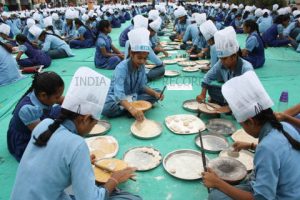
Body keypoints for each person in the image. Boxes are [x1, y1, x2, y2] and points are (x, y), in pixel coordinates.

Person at [10, 67, 141, 200]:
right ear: (84, 119)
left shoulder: (44, 124)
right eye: (94, 124)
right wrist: (114, 179)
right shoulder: (77, 144)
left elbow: (50, 163)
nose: (92, 128)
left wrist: (76, 162)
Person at [202, 71, 300, 200]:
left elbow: (261, 198)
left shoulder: (267, 148)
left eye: (242, 124)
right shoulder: (284, 126)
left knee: (215, 196)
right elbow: (280, 151)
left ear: (251, 122)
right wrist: (251, 145)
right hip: (291, 190)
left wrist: (217, 183)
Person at [102, 28, 164, 121]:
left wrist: (155, 94)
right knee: (107, 109)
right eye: (139, 58)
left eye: (145, 58)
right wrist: (131, 108)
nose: (142, 61)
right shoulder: (121, 68)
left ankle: (129, 108)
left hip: (133, 95)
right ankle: (131, 108)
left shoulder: (141, 65)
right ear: (131, 54)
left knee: (156, 92)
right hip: (119, 98)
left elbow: (142, 86)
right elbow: (119, 95)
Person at [7, 72, 64, 161]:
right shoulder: (28, 110)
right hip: (28, 135)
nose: (59, 98)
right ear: (43, 95)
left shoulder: (39, 92)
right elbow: (41, 134)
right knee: (52, 155)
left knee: (65, 110)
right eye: (57, 97)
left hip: (39, 119)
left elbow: (61, 100)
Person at [196, 27, 253, 111]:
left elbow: (249, 95)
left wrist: (230, 108)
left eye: (225, 59)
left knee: (240, 113)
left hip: (243, 99)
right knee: (212, 89)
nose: (221, 62)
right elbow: (208, 77)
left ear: (234, 56)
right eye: (221, 58)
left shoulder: (246, 69)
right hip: (231, 94)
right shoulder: (221, 62)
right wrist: (203, 93)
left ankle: (232, 107)